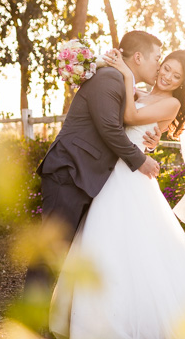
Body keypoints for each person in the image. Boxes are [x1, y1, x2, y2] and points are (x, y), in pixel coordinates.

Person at [48, 48, 185, 339]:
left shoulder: (172, 103)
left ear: (182, 83)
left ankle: (135, 320)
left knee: (135, 242)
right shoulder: (138, 90)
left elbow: (129, 117)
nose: (167, 76)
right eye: (166, 68)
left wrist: (125, 73)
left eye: (176, 75)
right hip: (113, 171)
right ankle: (96, 317)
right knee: (106, 238)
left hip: (133, 175)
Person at [22, 31, 165, 318]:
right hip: (69, 170)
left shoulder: (120, 81)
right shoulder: (110, 79)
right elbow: (109, 128)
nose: (159, 66)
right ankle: (28, 322)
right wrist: (141, 161)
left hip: (82, 174)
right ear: (138, 57)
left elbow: (126, 122)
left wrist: (152, 135)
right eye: (157, 59)